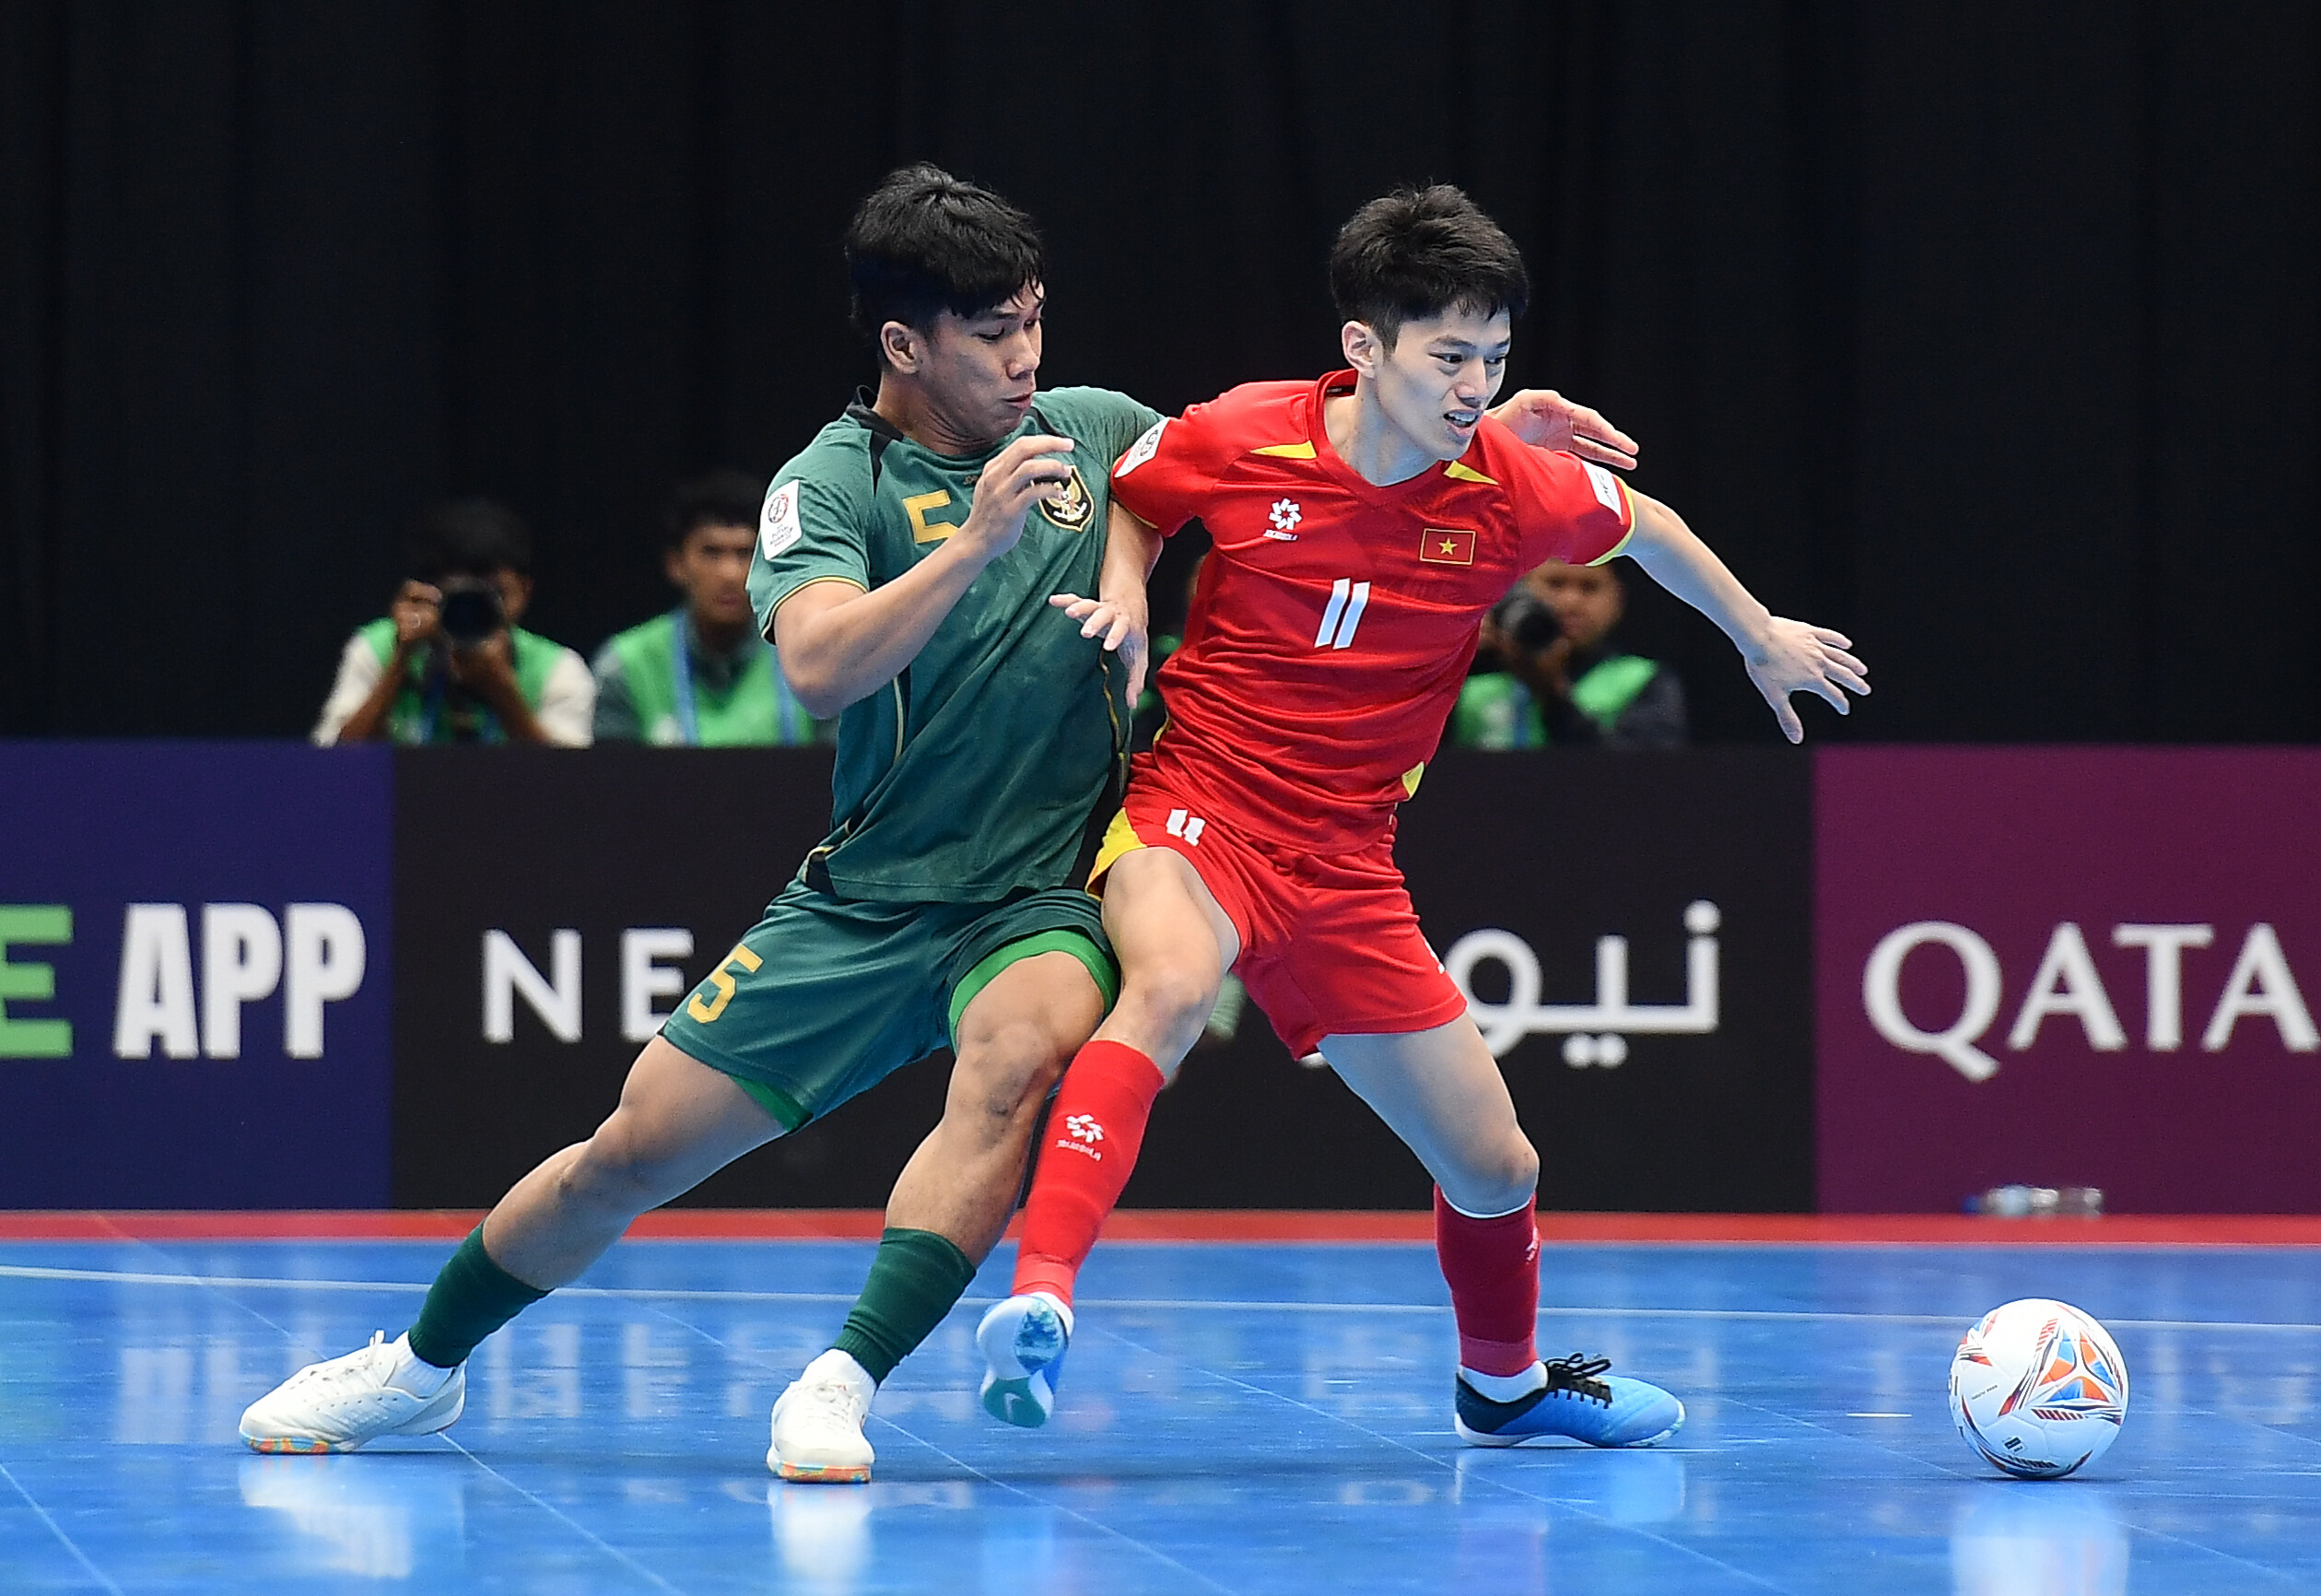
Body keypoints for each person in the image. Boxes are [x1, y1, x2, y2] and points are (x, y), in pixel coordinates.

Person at [239, 166, 1636, 1484]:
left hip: (1041, 894)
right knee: (634, 1150)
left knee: (1018, 1061)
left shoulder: (1094, 429)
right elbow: (815, 666)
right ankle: (420, 1364)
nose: (1027, 358)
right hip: (866, 892)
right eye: (992, 334)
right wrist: (972, 545)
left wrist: (1465, 422)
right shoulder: (829, 484)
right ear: (905, 343)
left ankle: (843, 1375)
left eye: (1035, 322)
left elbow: (1297, 454)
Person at [978, 184, 1868, 1450]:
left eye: (1492, 357)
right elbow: (1138, 492)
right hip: (1200, 806)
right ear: (1363, 347)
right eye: (1448, 356)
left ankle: (1503, 1385)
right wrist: (1125, 593)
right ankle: (1041, 1300)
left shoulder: (1508, 485)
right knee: (1168, 989)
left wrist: (1757, 631)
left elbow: (1647, 527)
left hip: (1347, 863)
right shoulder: (1246, 432)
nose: (1474, 384)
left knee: (1497, 1166)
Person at [311, 499, 594, 746]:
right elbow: (331, 770)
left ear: (524, 591)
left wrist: (503, 692)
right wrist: (399, 664)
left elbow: (570, 784)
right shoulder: (379, 648)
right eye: (458, 595)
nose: (473, 610)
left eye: (494, 595)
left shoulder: (558, 669)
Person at [590, 469, 827, 746]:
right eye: (711, 553)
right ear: (676, 564)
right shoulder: (625, 665)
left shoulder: (811, 656)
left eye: (745, 553)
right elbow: (612, 772)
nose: (730, 574)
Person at [1449, 558, 1687, 748]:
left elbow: (1642, 780)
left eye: (1589, 587)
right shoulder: (1469, 680)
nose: (1571, 602)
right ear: (1518, 589)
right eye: (1555, 583)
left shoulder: (1643, 682)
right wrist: (1451, 659)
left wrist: (1553, 696)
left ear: (1618, 599)